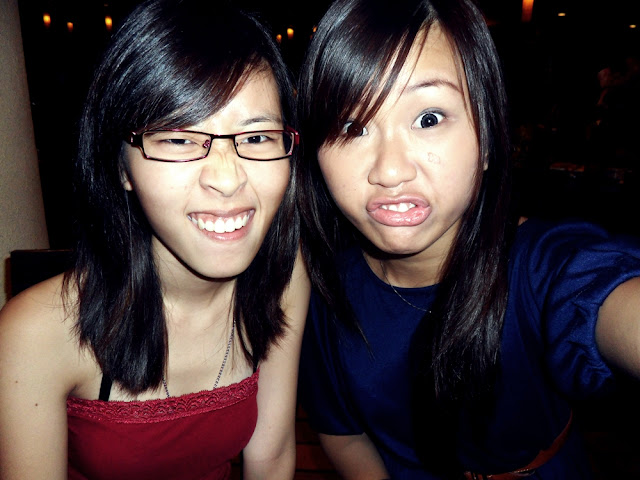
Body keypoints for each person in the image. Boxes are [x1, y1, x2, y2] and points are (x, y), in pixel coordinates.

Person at [296, 0, 640, 478]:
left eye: (429, 118)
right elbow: (342, 432)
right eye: (353, 127)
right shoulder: (325, 290)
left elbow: (608, 298)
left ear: (488, 139)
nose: (390, 171)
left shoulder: (542, 268)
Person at [0, 0, 309, 478]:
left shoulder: (283, 277)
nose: (227, 179)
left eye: (256, 137)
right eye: (179, 139)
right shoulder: (36, 332)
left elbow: (270, 456)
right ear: (122, 168)